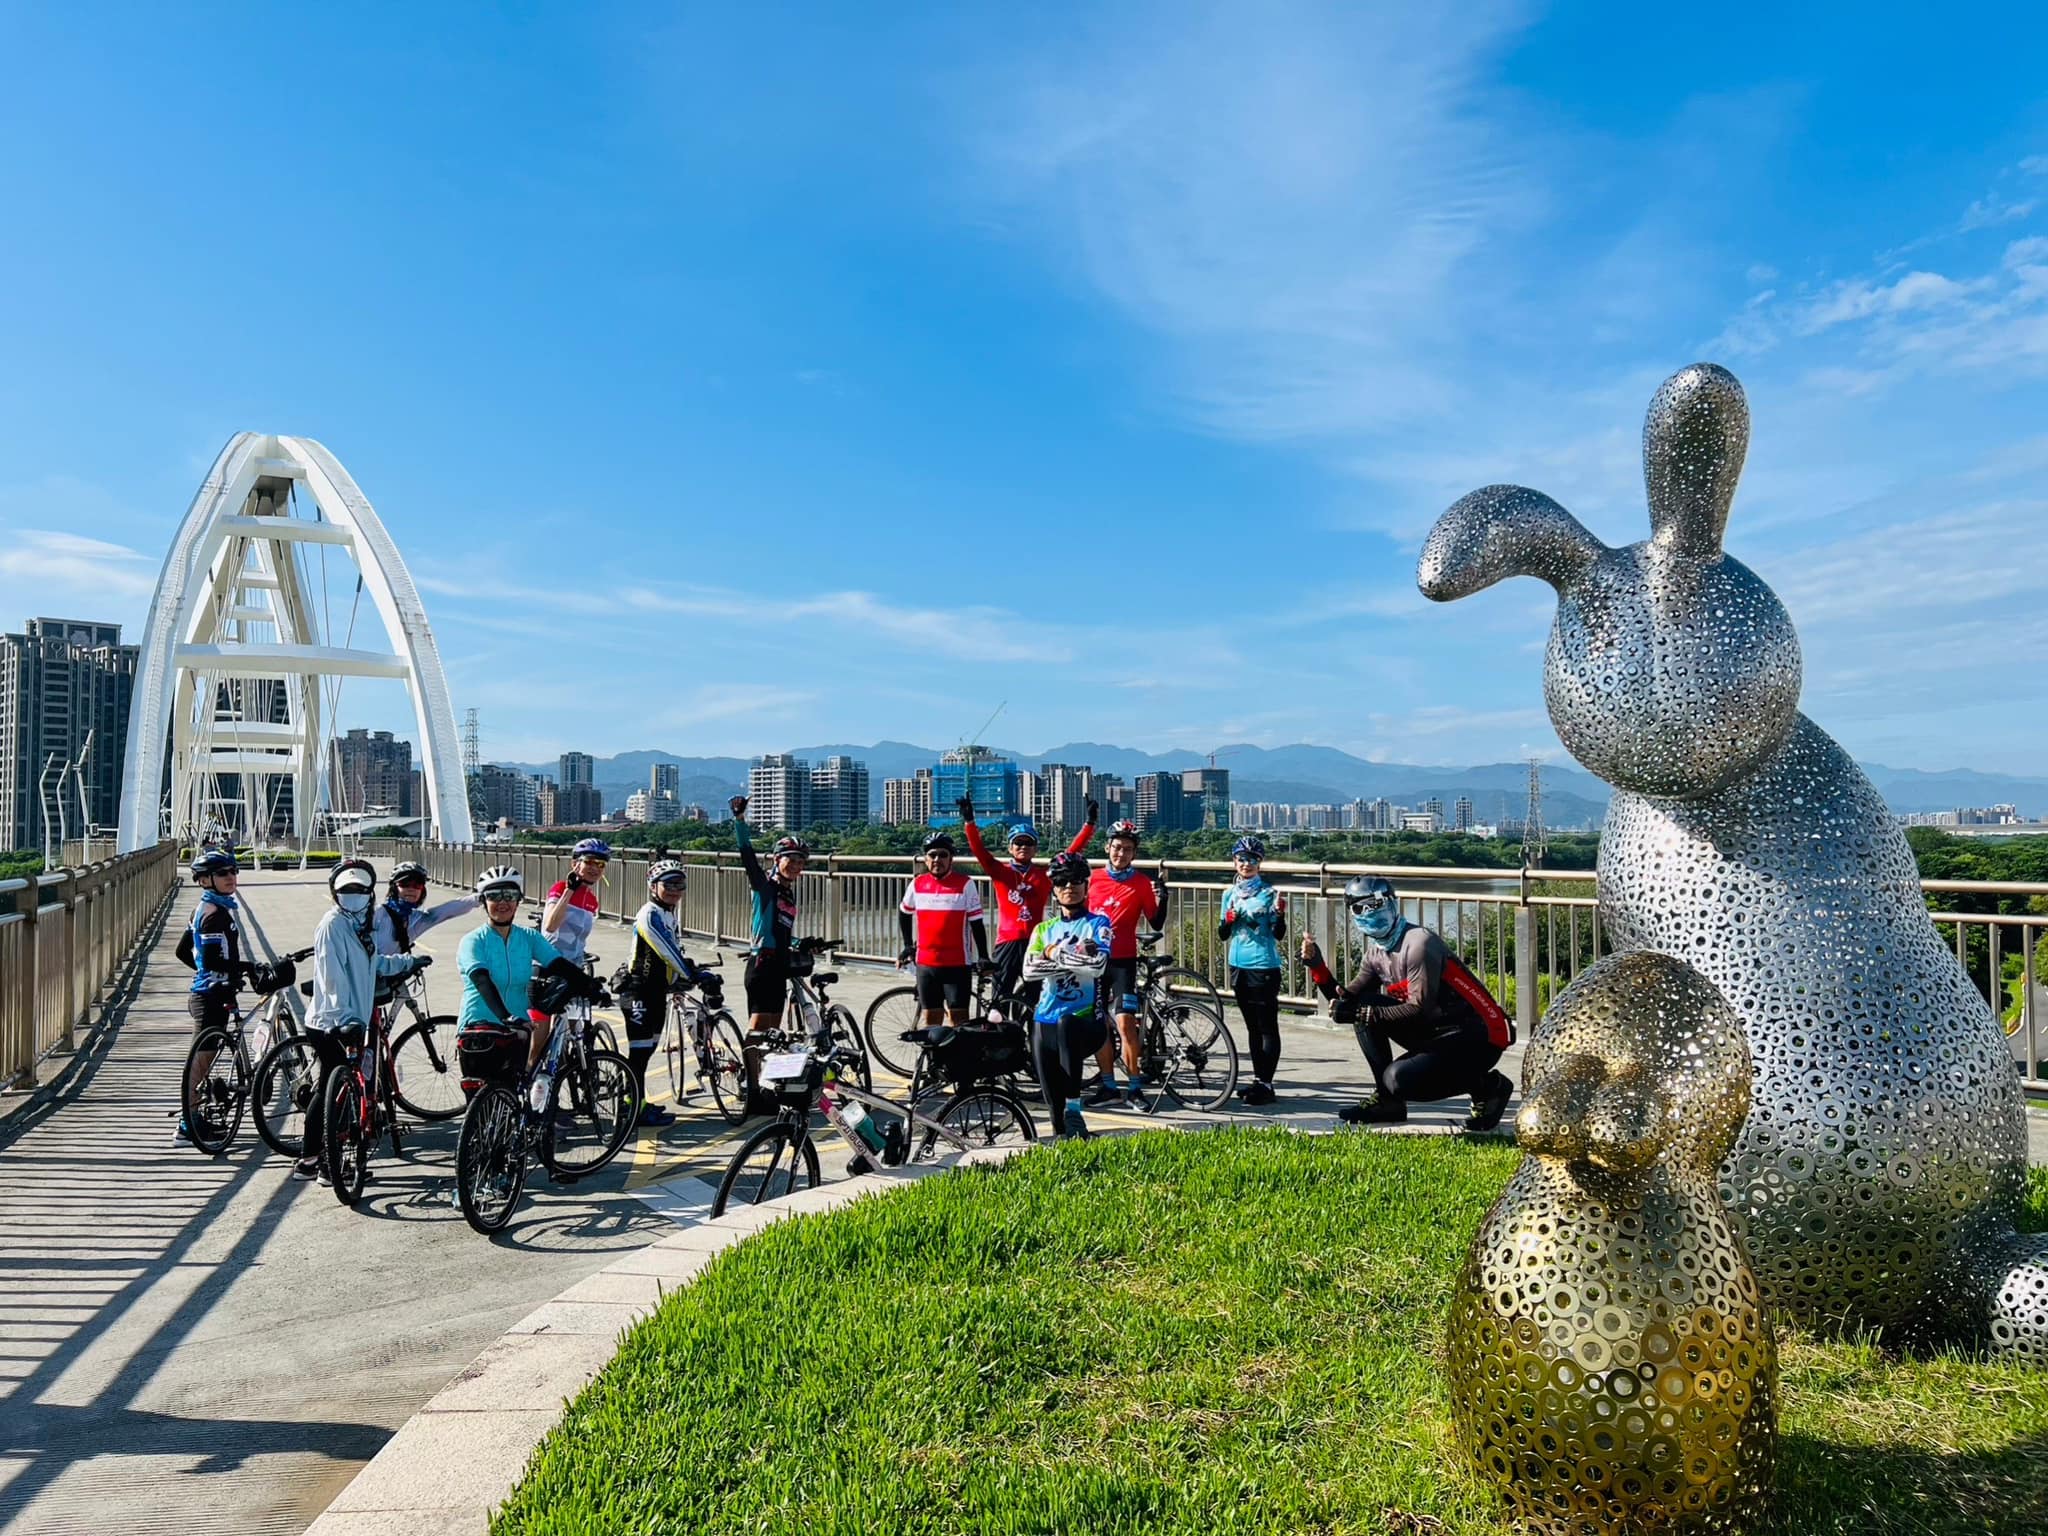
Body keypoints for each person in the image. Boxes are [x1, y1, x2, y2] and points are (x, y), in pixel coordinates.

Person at [1299, 874, 1515, 1132]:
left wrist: (1367, 1014)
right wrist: (1317, 967)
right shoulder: (1376, 953)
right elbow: (1347, 1001)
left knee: (1399, 1078)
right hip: (1437, 1030)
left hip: (1478, 1035)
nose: (1368, 912)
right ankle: (1387, 1103)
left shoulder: (1418, 944)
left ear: (1391, 903)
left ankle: (1489, 1087)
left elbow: (1417, 1007)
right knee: (1362, 1007)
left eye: (1375, 904)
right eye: (1359, 908)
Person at [301, 860, 429, 1182]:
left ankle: (314, 1159)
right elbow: (331, 979)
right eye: (346, 891)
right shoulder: (332, 925)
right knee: (335, 1089)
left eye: (360, 890)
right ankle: (323, 1163)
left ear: (370, 894)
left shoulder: (361, 924)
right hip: (332, 1022)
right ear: (335, 894)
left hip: (352, 1017)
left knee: (340, 1088)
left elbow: (374, 963)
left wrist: (408, 961)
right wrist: (344, 1019)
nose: (354, 895)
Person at [958, 794, 1097, 1020]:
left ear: (1035, 848)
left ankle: (1036, 1045)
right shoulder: (1001, 872)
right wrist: (969, 821)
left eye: (1028, 843)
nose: (1023, 847)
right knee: (999, 1000)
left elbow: (1071, 853)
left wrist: (1089, 824)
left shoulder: (1043, 875)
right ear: (1010, 848)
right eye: (1018, 843)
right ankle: (1000, 1049)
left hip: (1036, 942)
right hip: (1008, 942)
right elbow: (979, 850)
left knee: (1037, 999)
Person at [459, 865, 588, 1075]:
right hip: (480, 1028)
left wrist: (590, 985)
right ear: (484, 902)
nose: (503, 902)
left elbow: (557, 964)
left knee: (513, 1094)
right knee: (481, 1099)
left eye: (510, 895)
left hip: (518, 1029)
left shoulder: (528, 937)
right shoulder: (473, 941)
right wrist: (505, 1017)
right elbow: (482, 981)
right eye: (494, 896)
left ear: (518, 900)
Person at [1021, 852, 1113, 1140]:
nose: (1068, 887)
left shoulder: (1099, 923)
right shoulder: (1043, 929)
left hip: (1086, 1022)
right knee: (1041, 1031)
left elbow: (1097, 966)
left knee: (1066, 1024)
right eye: (1061, 882)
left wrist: (1054, 954)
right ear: (1054, 888)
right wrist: (1073, 955)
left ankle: (1076, 1113)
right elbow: (1029, 971)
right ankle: (1061, 1130)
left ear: (1086, 886)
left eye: (1075, 881)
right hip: (1045, 1016)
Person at [616, 858, 713, 1127]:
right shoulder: (649, 914)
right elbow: (664, 949)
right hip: (638, 989)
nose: (675, 890)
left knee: (647, 1051)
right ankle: (629, 1108)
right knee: (639, 1051)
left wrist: (688, 970)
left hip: (656, 991)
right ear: (652, 887)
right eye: (668, 884)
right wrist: (690, 974)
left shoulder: (669, 914)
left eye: (680, 884)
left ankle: (637, 1102)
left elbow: (675, 950)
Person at [729, 795, 808, 1105]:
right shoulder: (765, 886)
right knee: (759, 1029)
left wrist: (802, 943)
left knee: (772, 1031)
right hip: (762, 964)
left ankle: (764, 1084)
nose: (797, 865)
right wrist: (739, 821)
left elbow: (782, 931)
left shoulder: (788, 892)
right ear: (777, 859)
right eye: (791, 858)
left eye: (802, 860)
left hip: (780, 965)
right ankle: (750, 1086)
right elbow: (747, 856)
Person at [1085, 819, 1167, 1109]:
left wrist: (1163, 898)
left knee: (1126, 1024)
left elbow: (1156, 921)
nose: (1121, 854)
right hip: (1093, 962)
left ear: (1135, 853)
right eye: (1117, 847)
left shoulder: (1141, 882)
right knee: (1097, 1025)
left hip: (1123, 962)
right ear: (1107, 847)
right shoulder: (1091, 878)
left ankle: (1134, 1087)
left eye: (1128, 849)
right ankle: (1108, 1085)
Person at [180, 849, 253, 1143]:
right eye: (223, 873)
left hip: (210, 992)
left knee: (204, 1061)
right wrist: (247, 967)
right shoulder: (214, 916)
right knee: (200, 1063)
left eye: (234, 872)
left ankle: (194, 1119)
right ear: (204, 880)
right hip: (210, 997)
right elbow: (210, 960)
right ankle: (188, 1126)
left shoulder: (206, 909)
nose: (231, 878)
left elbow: (183, 951)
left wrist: (206, 973)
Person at [896, 831, 992, 1027]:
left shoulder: (965, 884)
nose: (937, 859)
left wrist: (983, 955)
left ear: (951, 858)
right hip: (926, 964)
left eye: (943, 855)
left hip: (956, 964)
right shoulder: (917, 884)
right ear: (925, 858)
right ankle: (934, 1058)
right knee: (931, 1019)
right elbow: (904, 913)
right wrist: (907, 945)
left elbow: (977, 924)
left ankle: (956, 1058)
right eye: (932, 855)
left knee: (959, 1020)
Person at [1220, 835, 1286, 1106]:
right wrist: (1228, 920)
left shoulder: (1270, 894)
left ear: (1260, 863)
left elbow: (1279, 934)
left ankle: (1267, 1084)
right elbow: (1223, 934)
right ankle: (1258, 1079)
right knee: (1251, 1027)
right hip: (1239, 964)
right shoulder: (1229, 894)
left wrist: (1280, 916)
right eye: (1241, 859)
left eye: (1252, 860)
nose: (1246, 864)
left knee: (1267, 1025)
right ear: (1234, 861)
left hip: (1264, 965)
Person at [371, 860, 475, 965]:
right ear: (394, 888)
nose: (411, 889)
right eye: (405, 884)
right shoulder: (377, 914)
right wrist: (409, 962)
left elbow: (447, 910)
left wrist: (481, 897)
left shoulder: (415, 919)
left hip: (394, 978)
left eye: (417, 885)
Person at [541, 838, 611, 970]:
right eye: (589, 862)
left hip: (574, 967)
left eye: (600, 864)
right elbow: (550, 927)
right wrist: (570, 890)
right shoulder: (561, 888)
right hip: (550, 964)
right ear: (575, 864)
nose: (595, 868)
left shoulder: (592, 900)